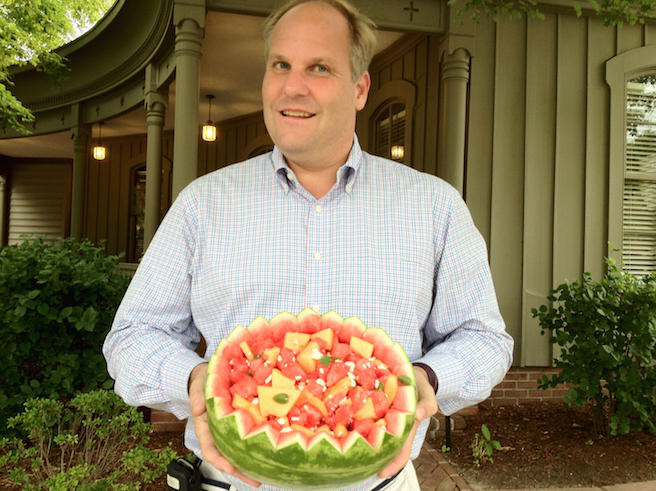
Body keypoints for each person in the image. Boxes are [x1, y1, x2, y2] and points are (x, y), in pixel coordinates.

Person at [103, 0, 514, 490]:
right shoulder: (202, 204)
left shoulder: (435, 207)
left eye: (319, 67)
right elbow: (132, 336)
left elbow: (484, 337)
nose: (292, 86)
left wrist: (425, 378)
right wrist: (196, 381)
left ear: (360, 88)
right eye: (281, 65)